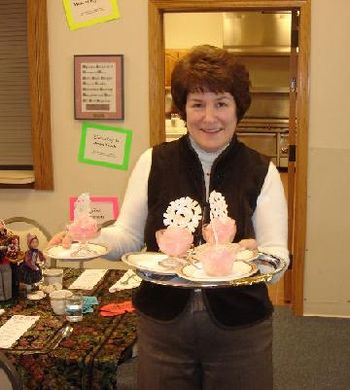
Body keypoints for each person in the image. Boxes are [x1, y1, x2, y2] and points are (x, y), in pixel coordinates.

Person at [51, 45, 288, 389]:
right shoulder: (153, 162)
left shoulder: (261, 170)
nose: (209, 117)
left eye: (221, 103)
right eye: (197, 104)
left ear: (238, 107)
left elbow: (278, 258)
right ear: (183, 109)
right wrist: (88, 239)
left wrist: (251, 257)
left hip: (241, 328)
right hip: (163, 324)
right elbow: (128, 238)